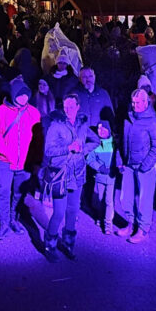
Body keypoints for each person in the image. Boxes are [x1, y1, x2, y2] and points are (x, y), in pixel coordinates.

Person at [42, 92, 97, 262]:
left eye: (71, 106)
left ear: (78, 107)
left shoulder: (82, 123)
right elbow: (48, 150)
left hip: (78, 173)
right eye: (66, 106)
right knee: (59, 212)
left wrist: (82, 150)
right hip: (61, 174)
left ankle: (68, 243)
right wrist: (68, 148)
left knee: (73, 210)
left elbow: (95, 141)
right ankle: (49, 245)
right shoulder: (56, 125)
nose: (68, 109)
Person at [0, 77, 42, 240]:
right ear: (13, 95)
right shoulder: (1, 111)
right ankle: (4, 224)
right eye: (20, 95)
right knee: (3, 191)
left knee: (19, 193)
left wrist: (36, 160)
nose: (23, 98)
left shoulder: (33, 112)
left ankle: (14, 219)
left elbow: (38, 139)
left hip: (25, 163)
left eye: (26, 95)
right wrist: (5, 152)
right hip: (5, 161)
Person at [117, 87, 156, 242]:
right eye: (133, 102)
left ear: (145, 103)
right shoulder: (128, 119)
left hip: (145, 167)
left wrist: (145, 166)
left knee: (145, 200)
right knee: (126, 197)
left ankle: (143, 229)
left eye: (137, 103)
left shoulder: (153, 122)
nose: (134, 105)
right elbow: (122, 141)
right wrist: (121, 160)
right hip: (129, 165)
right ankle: (131, 223)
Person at [85, 119, 119, 234]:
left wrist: (118, 166)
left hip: (111, 178)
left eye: (103, 128)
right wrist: (99, 167)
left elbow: (118, 157)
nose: (100, 131)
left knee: (109, 201)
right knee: (100, 199)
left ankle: (108, 223)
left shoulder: (114, 144)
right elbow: (89, 159)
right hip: (99, 177)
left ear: (108, 130)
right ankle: (100, 217)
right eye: (98, 129)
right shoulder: (96, 144)